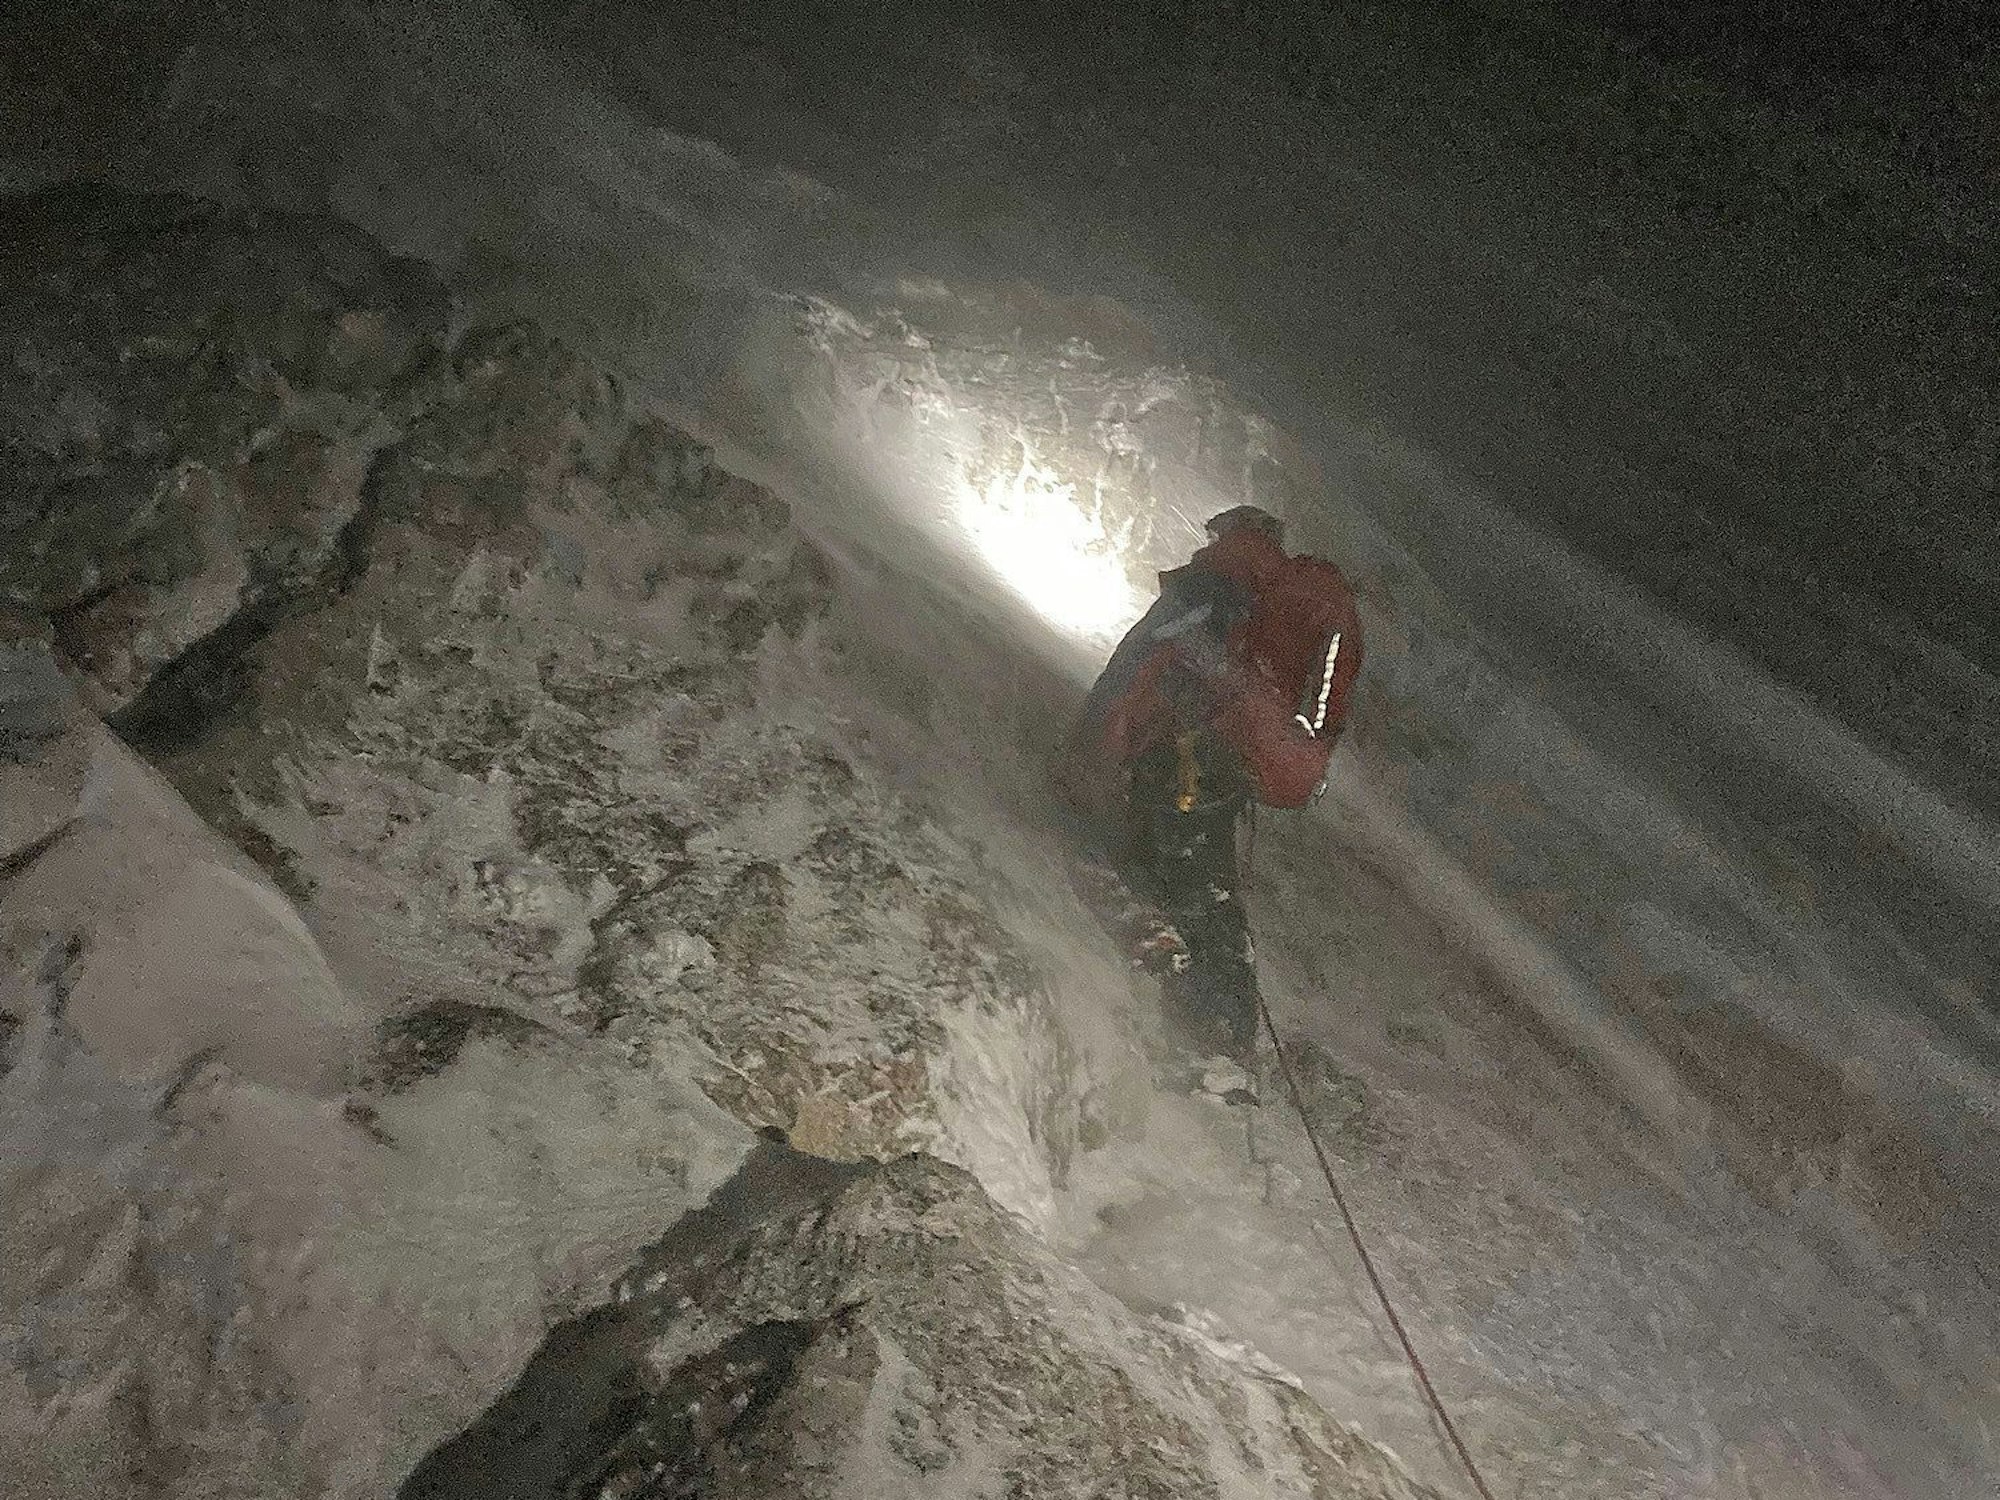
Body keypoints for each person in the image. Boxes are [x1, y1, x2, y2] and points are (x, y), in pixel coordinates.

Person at [1060, 504, 1363, 1057]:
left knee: (1187, 862)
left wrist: (1090, 751)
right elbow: (1324, 711)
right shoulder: (1307, 602)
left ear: (1232, 535)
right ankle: (1222, 1026)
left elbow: (1136, 667)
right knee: (1205, 866)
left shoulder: (1216, 584)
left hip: (1187, 738)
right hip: (1238, 756)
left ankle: (1209, 1024)